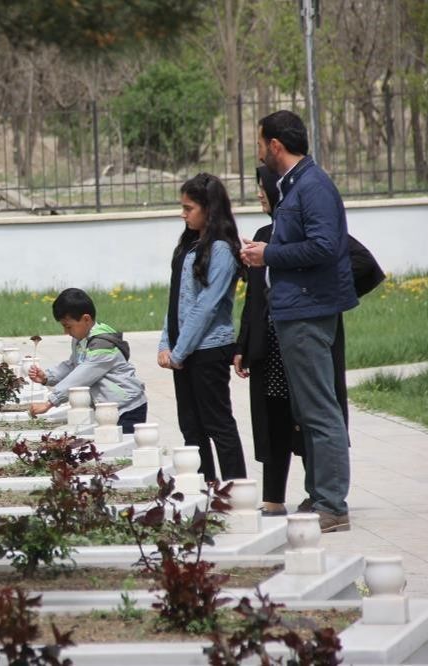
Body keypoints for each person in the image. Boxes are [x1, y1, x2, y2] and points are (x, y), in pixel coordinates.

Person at [240, 110, 358, 533]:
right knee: (306, 409)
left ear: (275, 145)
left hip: (309, 312)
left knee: (320, 410)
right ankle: (319, 495)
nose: (258, 152)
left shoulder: (313, 186)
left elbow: (326, 246)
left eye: (259, 144)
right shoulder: (295, 187)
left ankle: (331, 504)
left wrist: (267, 255)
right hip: (294, 312)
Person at [158, 173, 247, 482]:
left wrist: (179, 351)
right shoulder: (189, 245)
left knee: (217, 424)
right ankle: (205, 489)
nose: (183, 215)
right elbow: (177, 301)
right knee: (191, 426)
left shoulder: (221, 250)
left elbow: (206, 306)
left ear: (209, 209)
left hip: (208, 350)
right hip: (185, 350)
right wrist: (164, 344)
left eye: (189, 208)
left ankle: (236, 491)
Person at [233, 166, 305, 516]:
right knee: (272, 420)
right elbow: (254, 299)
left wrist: (324, 304)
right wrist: (243, 345)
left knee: (305, 419)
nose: (260, 194)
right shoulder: (263, 233)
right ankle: (273, 498)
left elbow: (360, 264)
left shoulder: (303, 232)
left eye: (264, 187)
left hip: (300, 344)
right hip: (269, 348)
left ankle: (320, 495)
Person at [27, 287, 148, 433]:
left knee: (125, 450)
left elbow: (81, 376)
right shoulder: (81, 338)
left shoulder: (102, 346)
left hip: (127, 407)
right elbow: (74, 365)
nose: (66, 332)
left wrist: (50, 402)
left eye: (68, 326)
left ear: (86, 319)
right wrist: (47, 376)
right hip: (109, 408)